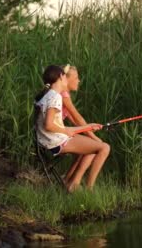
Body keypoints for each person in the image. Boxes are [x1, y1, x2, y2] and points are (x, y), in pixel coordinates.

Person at [34, 65, 110, 193]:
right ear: (61, 78)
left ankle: (71, 184)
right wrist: (67, 131)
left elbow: (55, 123)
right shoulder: (55, 97)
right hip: (54, 142)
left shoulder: (49, 95)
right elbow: (49, 125)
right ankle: (89, 190)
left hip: (47, 140)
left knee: (93, 145)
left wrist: (87, 127)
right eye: (64, 76)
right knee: (104, 148)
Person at [60, 64, 107, 184]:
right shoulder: (63, 94)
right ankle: (79, 185)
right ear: (66, 79)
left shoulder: (61, 94)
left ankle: (67, 181)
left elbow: (74, 120)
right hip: (55, 138)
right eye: (76, 78)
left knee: (91, 144)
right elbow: (78, 118)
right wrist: (95, 137)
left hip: (54, 136)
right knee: (99, 147)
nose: (78, 80)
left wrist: (90, 130)